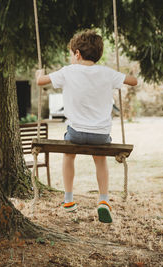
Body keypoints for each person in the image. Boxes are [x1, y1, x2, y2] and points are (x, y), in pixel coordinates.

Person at [35, 29, 137, 223]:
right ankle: (104, 200)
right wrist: (121, 76)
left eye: (71, 54)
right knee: (100, 158)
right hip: (101, 135)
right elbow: (133, 81)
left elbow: (41, 82)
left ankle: (68, 200)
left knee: (68, 154)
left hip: (76, 134)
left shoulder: (68, 71)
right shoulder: (107, 73)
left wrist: (39, 73)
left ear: (77, 54)